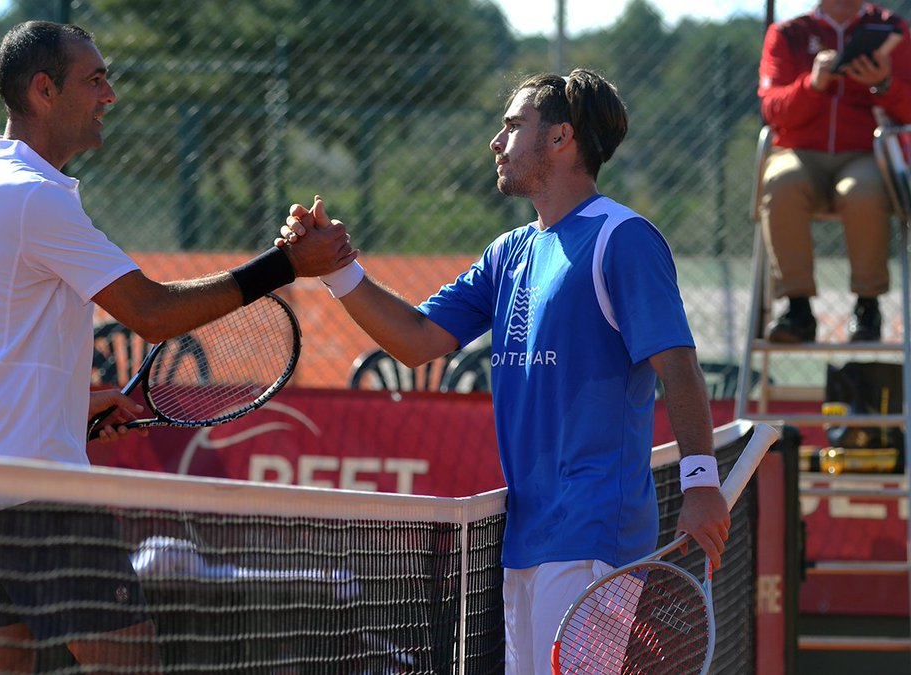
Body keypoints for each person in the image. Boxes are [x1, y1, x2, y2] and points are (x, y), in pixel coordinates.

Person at [279, 69, 729, 674]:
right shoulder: (510, 251)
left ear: (561, 138)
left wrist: (702, 482)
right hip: (526, 537)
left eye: (513, 126)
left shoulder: (623, 238)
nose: (497, 141)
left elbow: (678, 365)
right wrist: (336, 269)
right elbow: (415, 341)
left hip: (595, 534)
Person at [0, 21, 355, 673]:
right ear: (44, 90)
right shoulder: (32, 198)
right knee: (133, 663)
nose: (110, 95)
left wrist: (71, 403)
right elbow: (154, 314)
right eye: (94, 79)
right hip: (37, 494)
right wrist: (287, 265)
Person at [758, 0, 911, 343]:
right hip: (798, 151)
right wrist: (812, 84)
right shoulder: (788, 33)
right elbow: (772, 109)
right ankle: (797, 310)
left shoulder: (893, 30)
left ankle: (867, 307)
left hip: (864, 151)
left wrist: (884, 84)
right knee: (780, 182)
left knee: (865, 191)